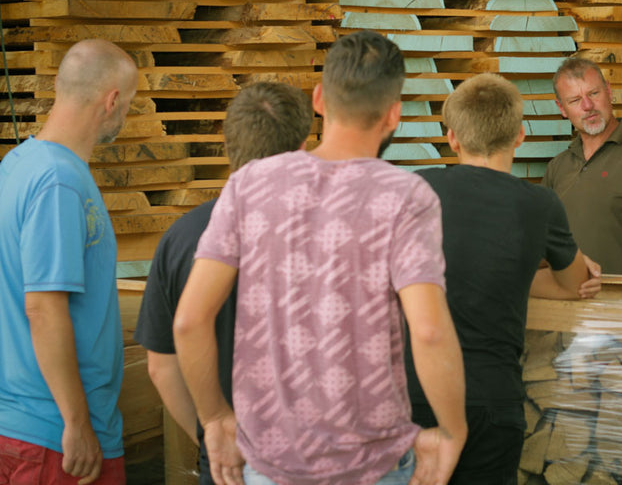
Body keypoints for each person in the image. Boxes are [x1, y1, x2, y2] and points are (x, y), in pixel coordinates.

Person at [173, 30, 467, 485]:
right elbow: (428, 332)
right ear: (394, 115)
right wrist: (452, 431)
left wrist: (214, 418)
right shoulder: (406, 197)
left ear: (318, 100)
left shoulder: (250, 184)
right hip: (371, 465)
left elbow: (189, 320)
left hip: (268, 463)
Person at [402, 73, 596, 484]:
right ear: (520, 136)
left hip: (409, 393)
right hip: (492, 400)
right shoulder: (540, 205)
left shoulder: (414, 188)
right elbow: (572, 285)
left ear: (452, 138)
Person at [134, 82, 313, 484]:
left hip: (228, 464)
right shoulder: (339, 232)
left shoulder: (182, 237)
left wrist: (212, 430)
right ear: (303, 147)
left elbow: (163, 366)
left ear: (229, 146)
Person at [0, 40, 138, 485]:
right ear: (112, 99)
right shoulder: (58, 182)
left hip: (26, 427)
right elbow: (43, 308)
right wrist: (78, 424)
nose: (126, 115)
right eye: (130, 103)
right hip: (56, 439)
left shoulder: (18, 164)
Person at [542, 58, 622, 275]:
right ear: (562, 109)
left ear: (609, 91)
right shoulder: (557, 168)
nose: (588, 106)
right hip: (569, 302)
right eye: (575, 100)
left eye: (593, 94)